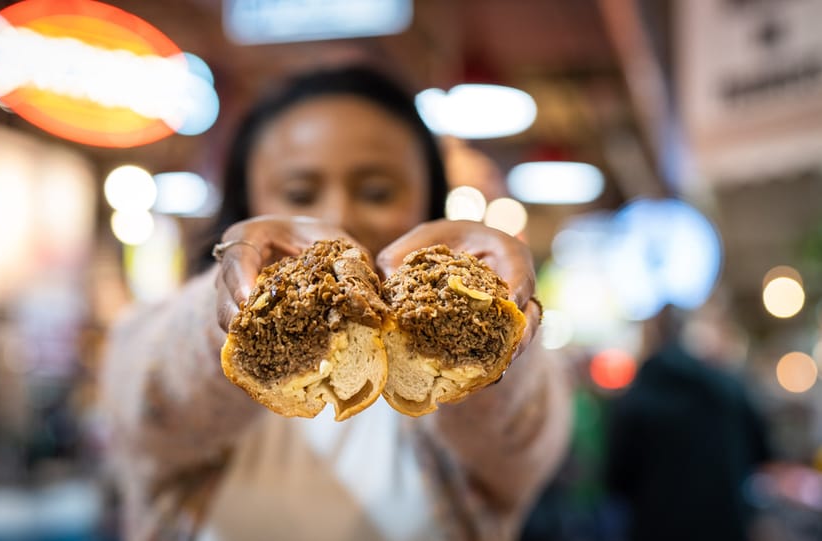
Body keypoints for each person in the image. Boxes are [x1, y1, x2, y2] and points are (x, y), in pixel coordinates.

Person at [98, 64, 571, 541]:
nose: (337, 217)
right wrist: (232, 312)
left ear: (428, 200)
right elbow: (144, 405)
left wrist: (485, 327)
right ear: (248, 207)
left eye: (377, 191)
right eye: (299, 193)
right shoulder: (171, 335)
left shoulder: (468, 406)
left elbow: (525, 440)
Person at [604, 306, 772, 541]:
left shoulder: (637, 397)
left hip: (655, 529)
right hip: (724, 526)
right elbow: (762, 455)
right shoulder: (730, 390)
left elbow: (615, 479)